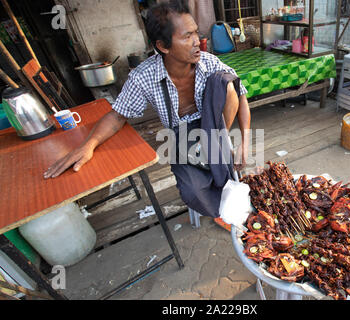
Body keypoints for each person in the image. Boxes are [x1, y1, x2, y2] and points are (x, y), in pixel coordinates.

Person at [43, 0, 251, 231]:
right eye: (186, 36)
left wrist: (245, 141)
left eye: (196, 33)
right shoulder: (144, 76)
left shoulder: (209, 63)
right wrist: (88, 145)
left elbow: (240, 96)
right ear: (163, 46)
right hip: (181, 136)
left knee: (226, 84)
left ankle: (226, 186)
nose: (196, 43)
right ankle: (219, 211)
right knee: (193, 190)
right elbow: (117, 116)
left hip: (214, 127)